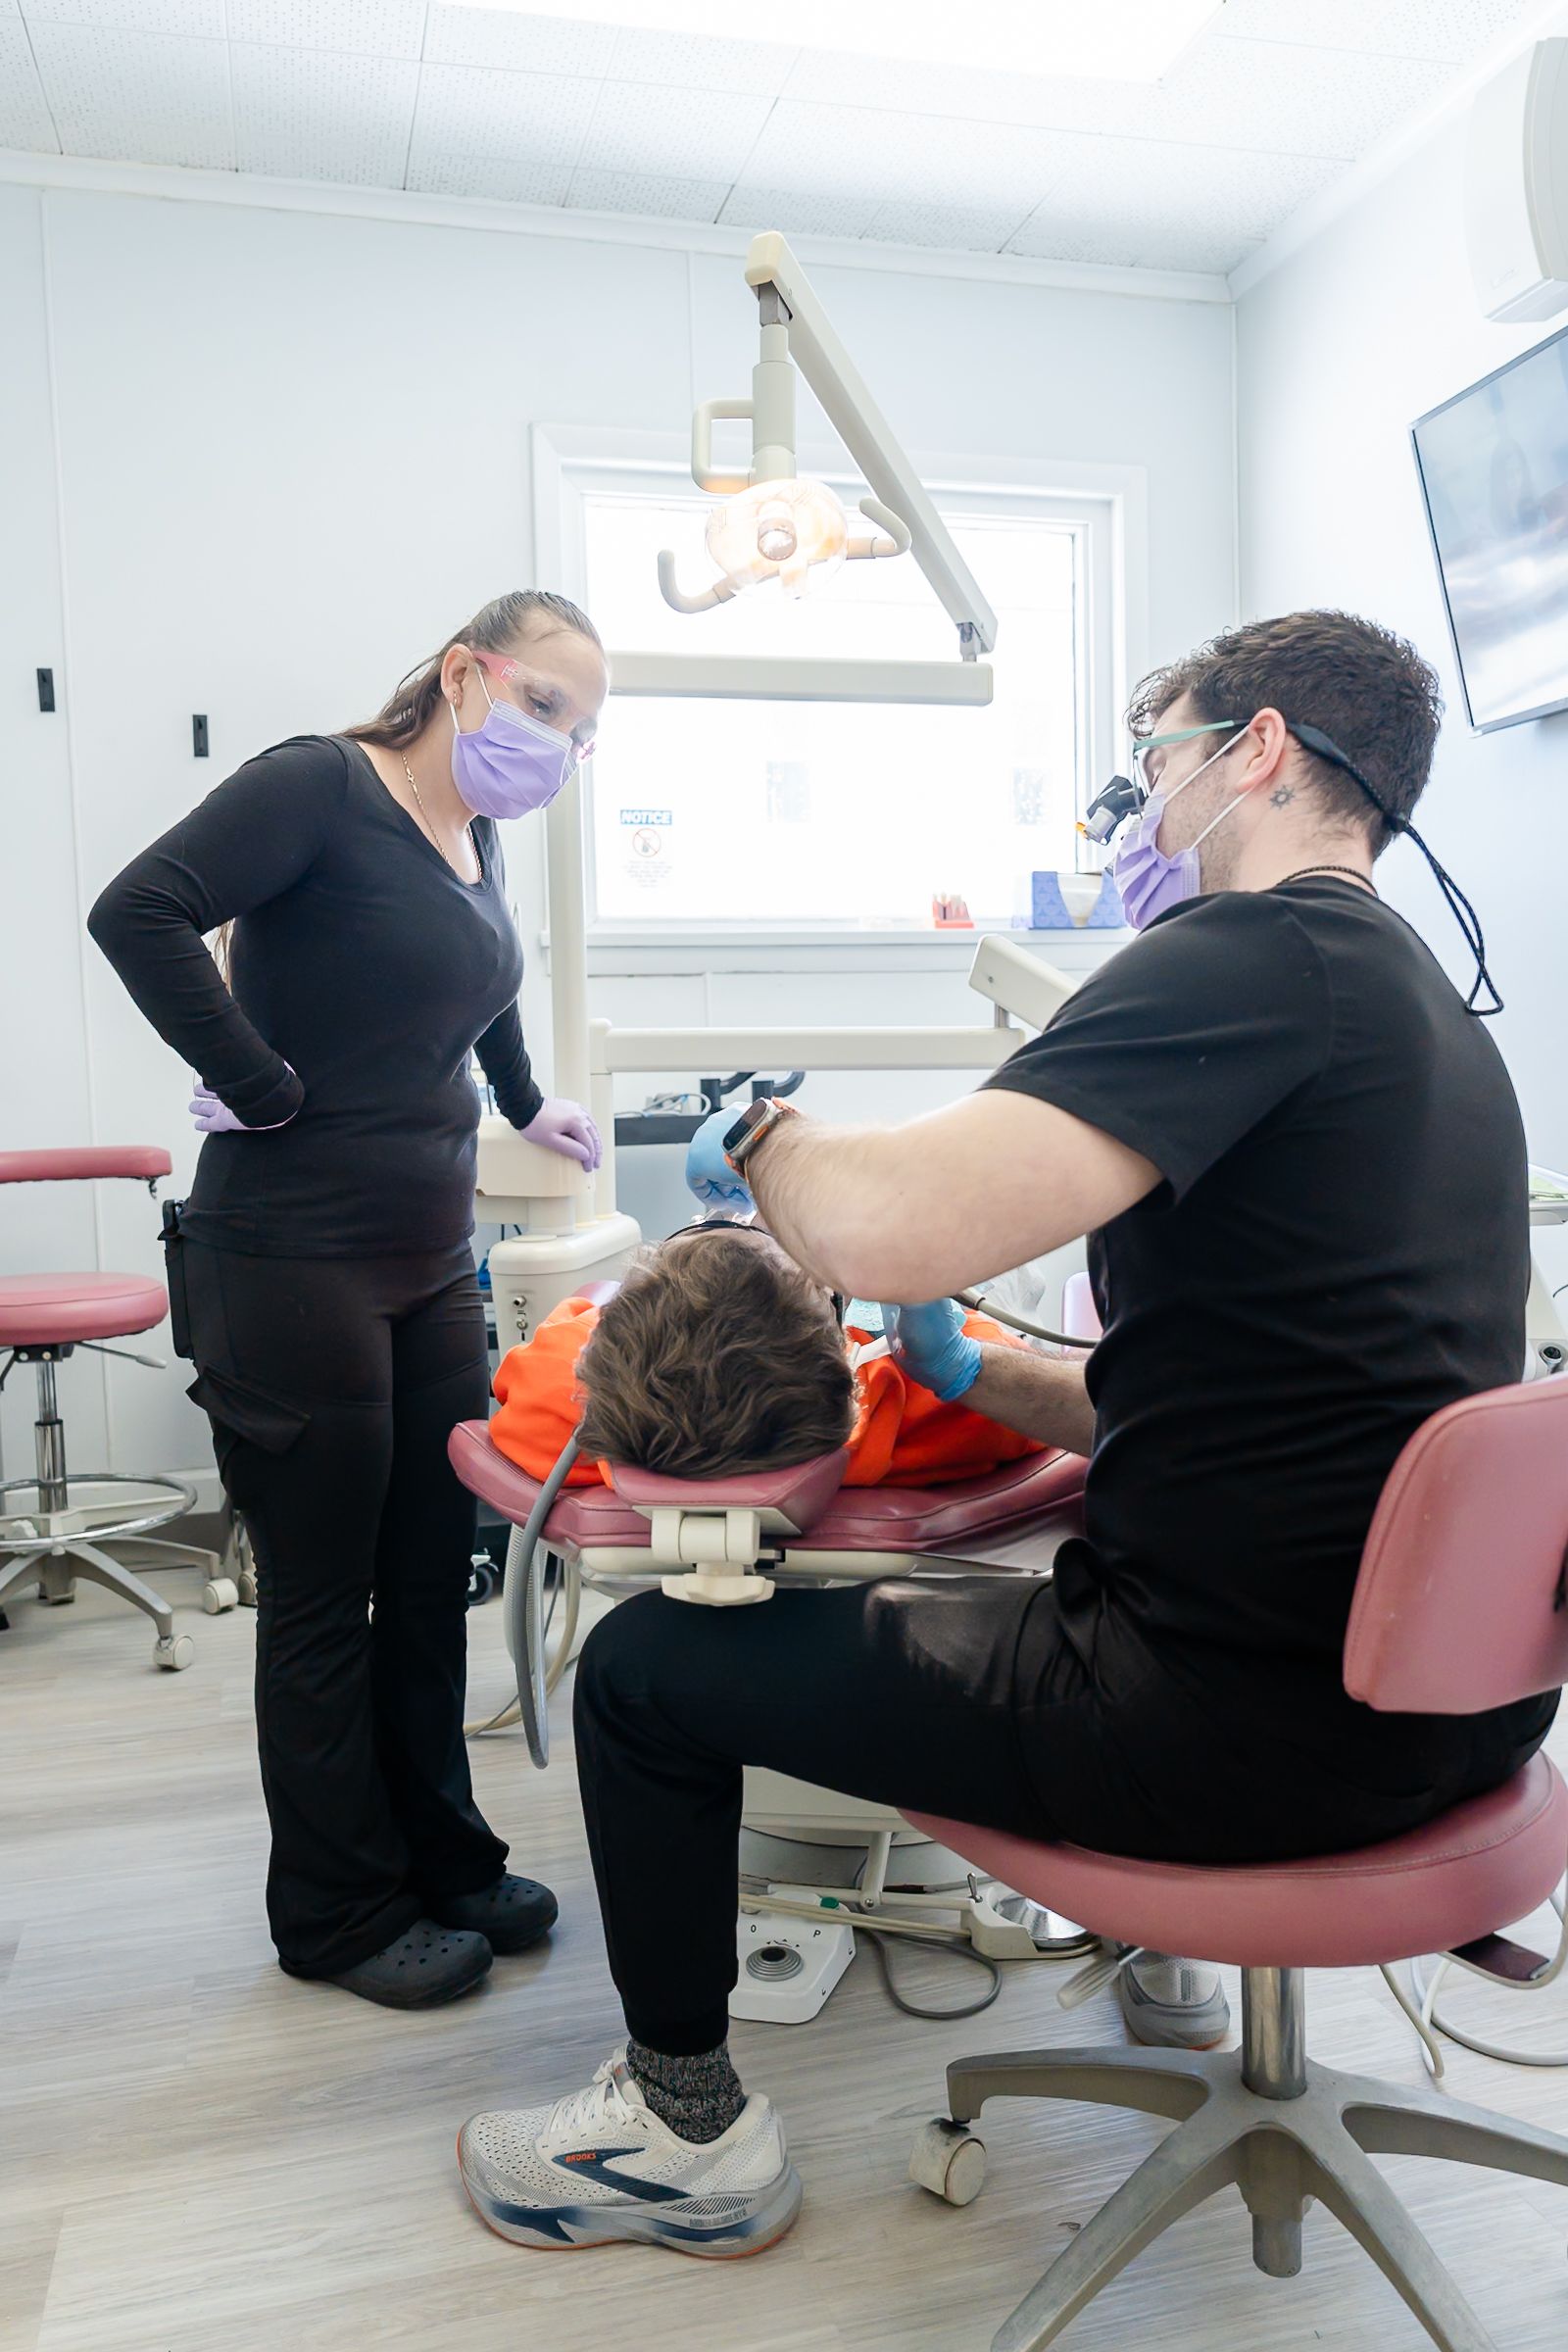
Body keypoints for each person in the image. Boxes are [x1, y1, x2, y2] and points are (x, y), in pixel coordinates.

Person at [455, 608, 1556, 2258]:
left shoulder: (1252, 956)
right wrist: (976, 1379)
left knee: (646, 1678)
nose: (1135, 817)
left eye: (1153, 765)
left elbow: (886, 1230)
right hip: (1457, 1725)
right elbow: (1274, 1406)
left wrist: (762, 1135)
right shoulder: (1437, 1020)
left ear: (1254, 750)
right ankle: (1178, 1982)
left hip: (1228, 1737)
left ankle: (682, 2131)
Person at [89, 589, 609, 2009]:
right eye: (546, 706)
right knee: (325, 1596)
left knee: (434, 1571)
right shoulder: (316, 785)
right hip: (290, 1256)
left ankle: (441, 1858)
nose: (559, 744)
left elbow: (478, 977)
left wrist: (522, 1097)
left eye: (584, 729)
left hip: (429, 1255)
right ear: (465, 674)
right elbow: (136, 910)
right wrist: (254, 1079)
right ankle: (334, 1911)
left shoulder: (472, 830)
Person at [489, 1218, 1050, 1489]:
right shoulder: (925, 1400)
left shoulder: (556, 1404)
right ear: (842, 1359)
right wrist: (956, 1353)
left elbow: (561, 1340)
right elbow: (1031, 1394)